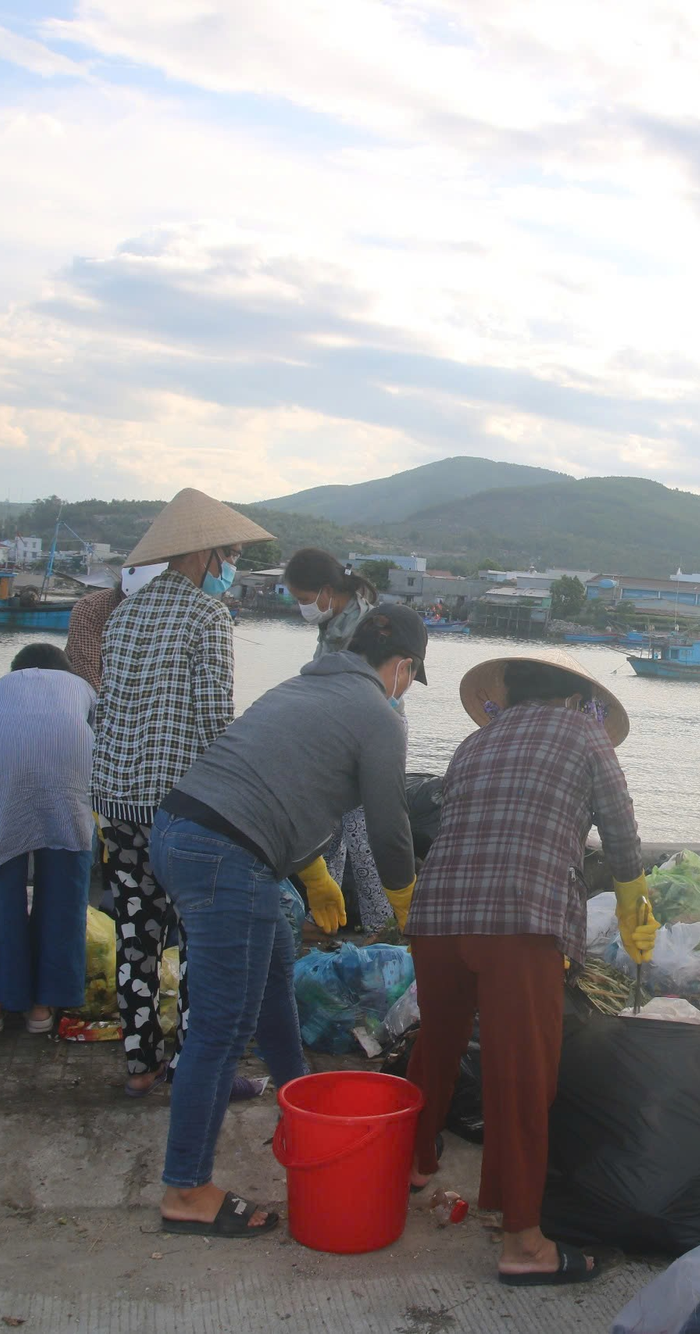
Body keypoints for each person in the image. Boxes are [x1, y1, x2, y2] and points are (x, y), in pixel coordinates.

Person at [149, 605, 427, 1237]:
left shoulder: (299, 685)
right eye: (410, 676)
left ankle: (299, 1103)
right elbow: (389, 826)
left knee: (274, 970)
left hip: (177, 831)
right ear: (404, 667)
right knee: (220, 1031)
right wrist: (408, 904)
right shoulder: (379, 715)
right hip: (228, 858)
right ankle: (186, 1190)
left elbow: (280, 789)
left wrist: (313, 872)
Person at [403, 652, 656, 1287]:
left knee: (436, 1044)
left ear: (507, 697)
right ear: (574, 698)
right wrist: (632, 899)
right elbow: (621, 832)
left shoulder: (475, 742)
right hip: (518, 920)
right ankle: (522, 1240)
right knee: (520, 1075)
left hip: (437, 917)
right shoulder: (584, 734)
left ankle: (409, 1165)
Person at [91, 488, 273, 1097]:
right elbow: (216, 720)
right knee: (201, 936)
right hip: (179, 809)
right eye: (233, 555)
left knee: (137, 933)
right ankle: (200, 1075)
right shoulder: (206, 616)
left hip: (116, 800)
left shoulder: (124, 615)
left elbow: (110, 707)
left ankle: (142, 1066)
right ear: (206, 555)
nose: (234, 566)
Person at [0, 641, 97, 1035]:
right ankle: (42, 1008)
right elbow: (105, 752)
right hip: (68, 782)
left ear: (16, 670)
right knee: (64, 893)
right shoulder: (83, 689)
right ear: (65, 671)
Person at [282, 549, 390, 930]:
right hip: (332, 744)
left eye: (303, 598)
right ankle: (326, 923)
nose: (303, 607)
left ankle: (384, 930)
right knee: (328, 838)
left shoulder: (368, 626)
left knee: (363, 841)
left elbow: (379, 692)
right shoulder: (334, 624)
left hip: (365, 743)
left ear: (326, 590)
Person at [65, 563, 168, 694]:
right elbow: (87, 668)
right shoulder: (91, 608)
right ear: (122, 593)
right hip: (88, 693)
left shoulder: (164, 612)